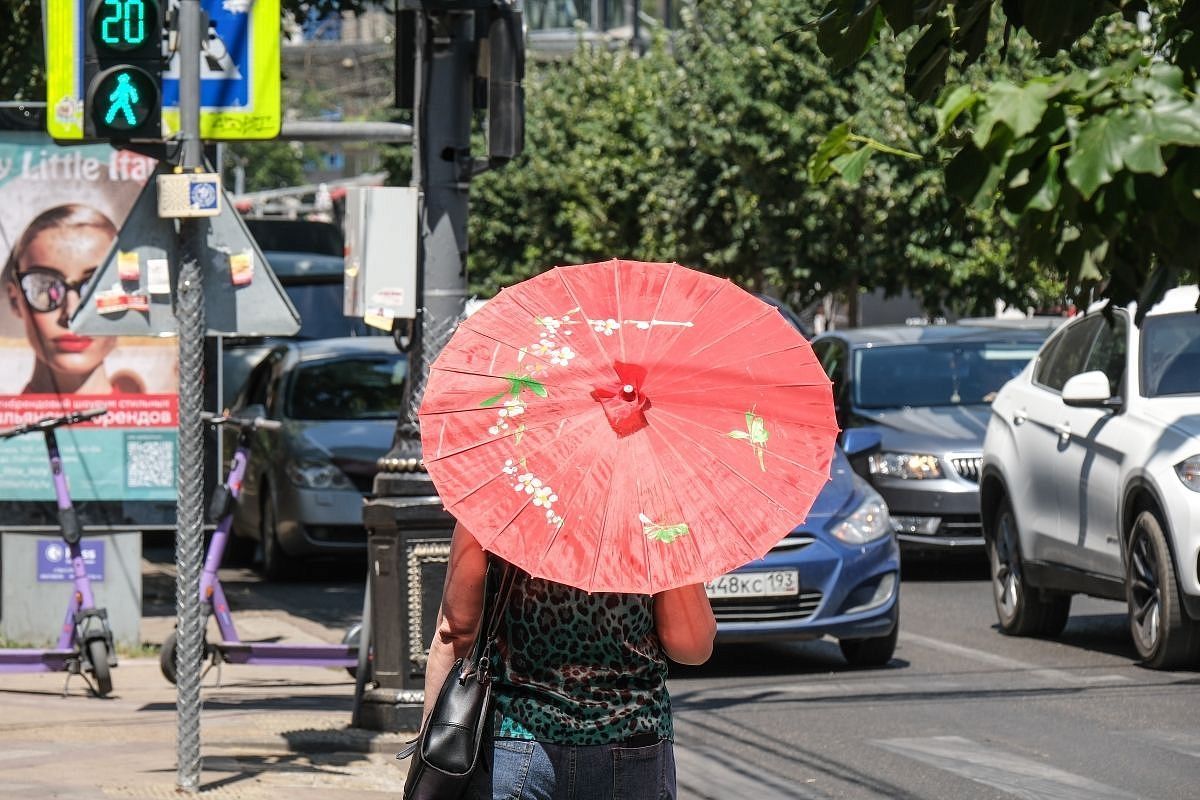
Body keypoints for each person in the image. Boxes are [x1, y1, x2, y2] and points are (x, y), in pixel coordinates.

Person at [423, 522, 717, 800]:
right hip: (632, 736)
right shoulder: (654, 512)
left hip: (516, 737)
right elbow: (692, 647)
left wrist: (429, 742)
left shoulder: (503, 498)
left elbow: (455, 631)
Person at [2, 204, 119, 394]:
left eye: (95, 288)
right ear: (16, 300)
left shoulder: (167, 420)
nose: (71, 314)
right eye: (44, 288)